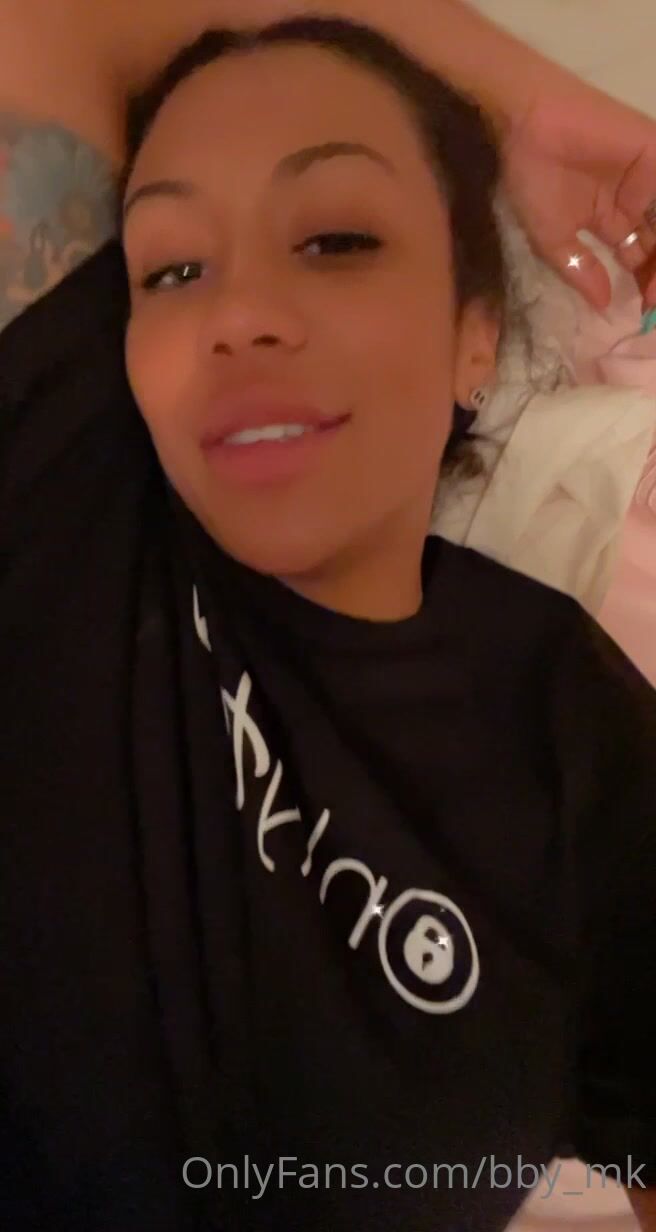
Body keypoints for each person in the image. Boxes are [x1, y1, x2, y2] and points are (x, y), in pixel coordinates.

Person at [0, 9, 655, 1232]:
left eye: (336, 239)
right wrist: (521, 99)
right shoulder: (73, 497)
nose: (237, 312)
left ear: (474, 337)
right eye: (172, 269)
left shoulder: (563, 717)